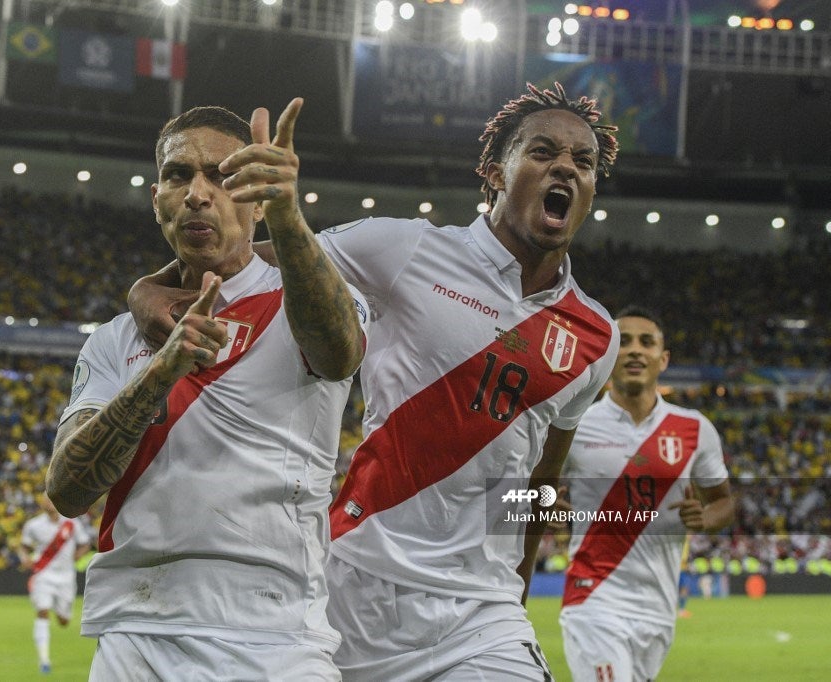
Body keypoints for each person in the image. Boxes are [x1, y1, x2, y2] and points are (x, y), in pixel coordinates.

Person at [129, 83, 621, 680]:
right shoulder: (404, 248)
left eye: (584, 161)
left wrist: (515, 594)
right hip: (355, 590)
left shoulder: (597, 335)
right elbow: (243, 261)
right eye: (543, 152)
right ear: (494, 172)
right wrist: (149, 287)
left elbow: (543, 480)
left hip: (481, 617)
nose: (566, 166)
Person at [46, 99, 367, 679]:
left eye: (222, 176)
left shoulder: (309, 295)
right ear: (157, 201)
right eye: (178, 175)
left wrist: (288, 214)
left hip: (275, 637)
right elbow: (68, 490)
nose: (198, 192)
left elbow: (339, 353)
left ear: (255, 199)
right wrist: (158, 375)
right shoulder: (115, 340)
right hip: (136, 634)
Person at [559, 306, 734, 682]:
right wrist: (539, 505)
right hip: (593, 599)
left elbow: (723, 502)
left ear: (663, 358)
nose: (635, 350)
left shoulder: (694, 429)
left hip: (657, 608)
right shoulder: (573, 425)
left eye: (647, 342)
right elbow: (530, 490)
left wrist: (707, 518)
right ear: (608, 354)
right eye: (623, 342)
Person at [19, 493, 92, 674]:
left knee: (64, 620)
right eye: (45, 499)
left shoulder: (72, 523)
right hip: (43, 575)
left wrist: (77, 556)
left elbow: (85, 543)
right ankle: (44, 660)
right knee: (42, 611)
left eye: (50, 498)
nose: (48, 502)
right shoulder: (33, 525)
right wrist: (25, 558)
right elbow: (23, 546)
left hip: (66, 578)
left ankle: (58, 609)